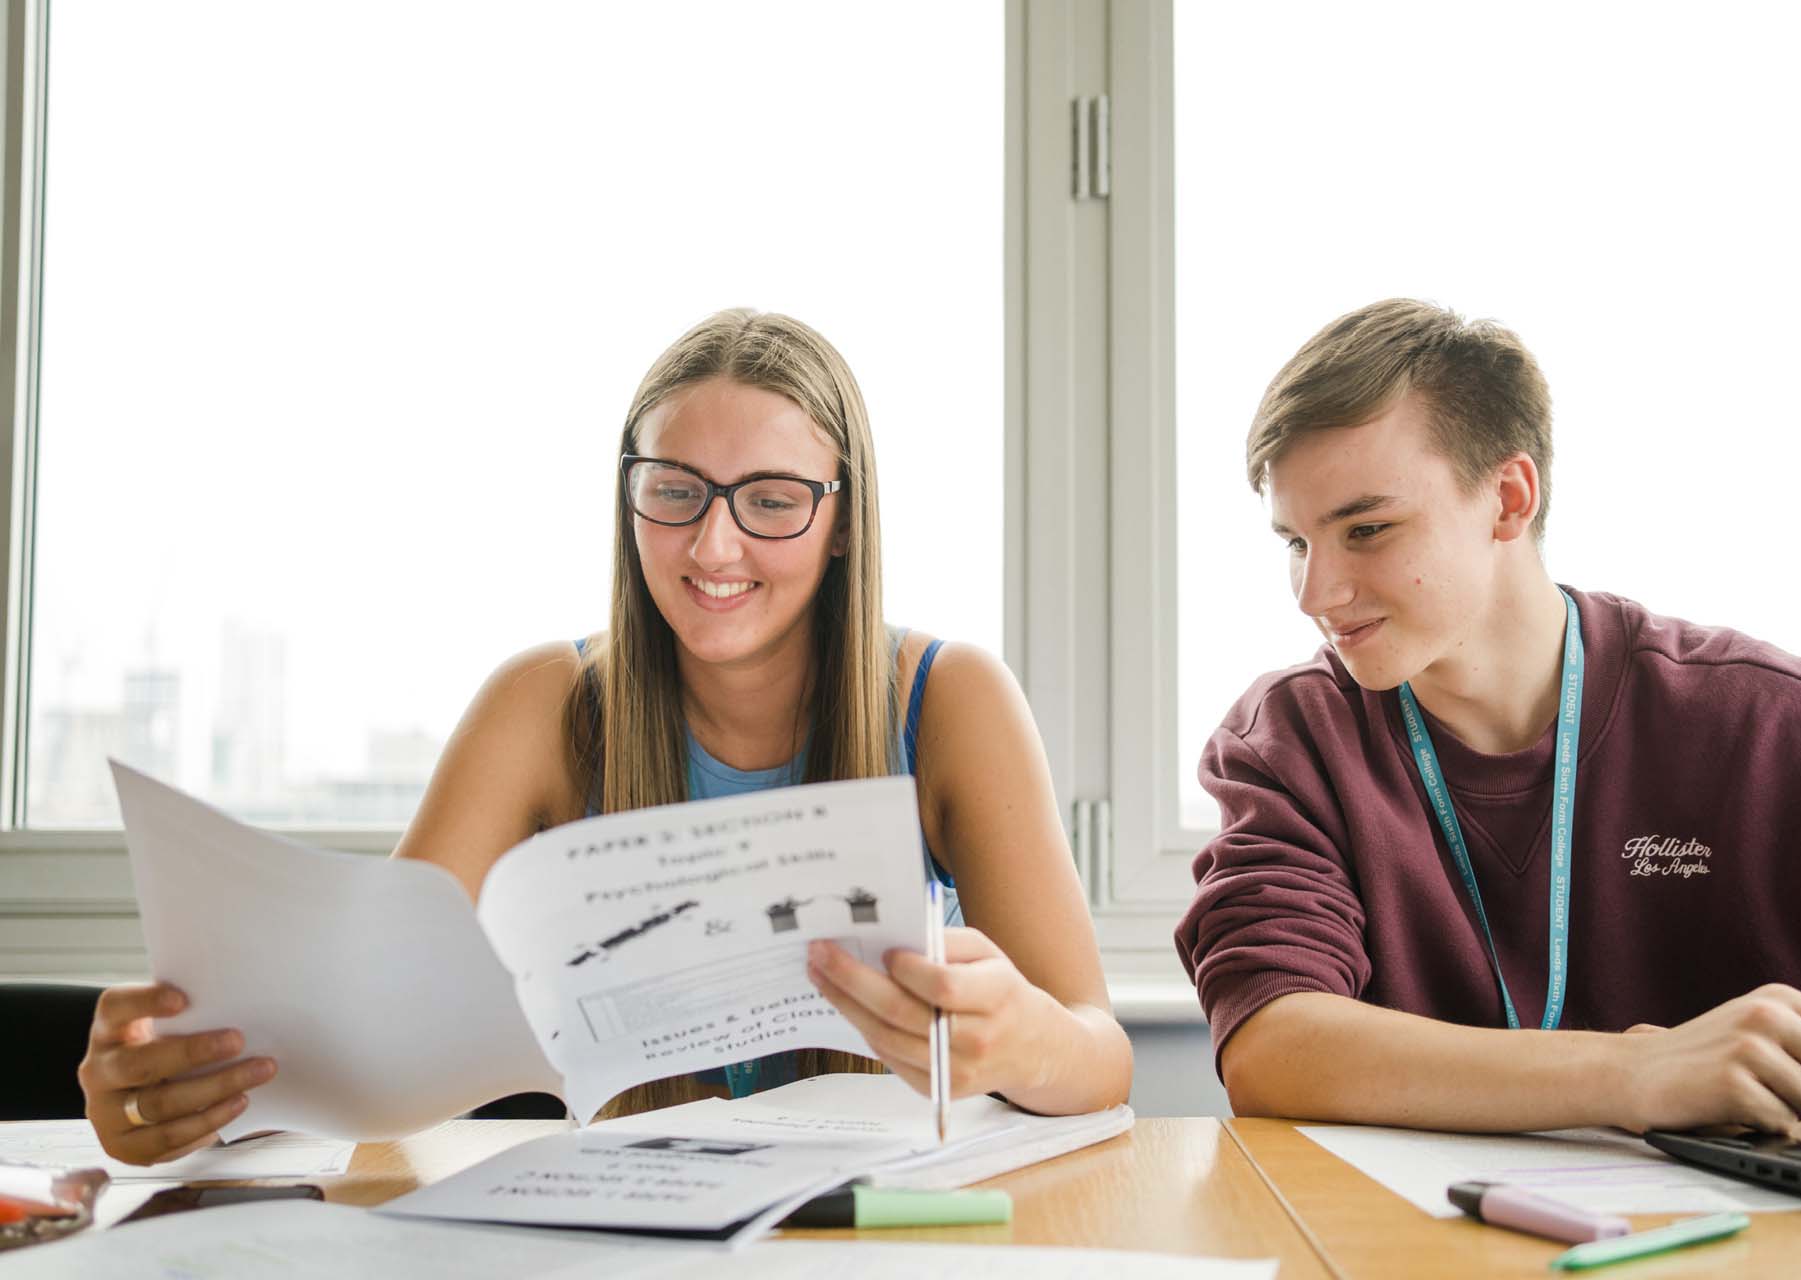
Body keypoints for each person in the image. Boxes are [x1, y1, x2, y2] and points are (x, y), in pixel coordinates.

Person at [80, 309, 1132, 1164]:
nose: (714, 543)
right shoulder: (543, 702)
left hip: (865, 1219)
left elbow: (1100, 1052)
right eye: (674, 491)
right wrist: (185, 1092)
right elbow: (373, 1036)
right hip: (626, 1217)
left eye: (770, 499)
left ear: (844, 518)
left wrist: (1024, 1039)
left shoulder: (950, 698)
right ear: (629, 495)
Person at [1176, 298, 1801, 1134]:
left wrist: (1797, 1103)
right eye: (1297, 543)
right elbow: (1271, 1044)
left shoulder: (1787, 729)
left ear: (1508, 499)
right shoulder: (1289, 743)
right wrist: (1637, 1075)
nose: (1318, 595)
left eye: (1368, 529)